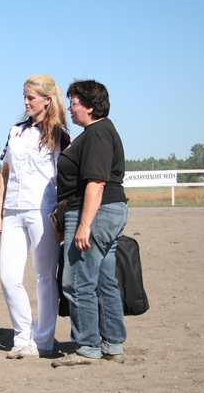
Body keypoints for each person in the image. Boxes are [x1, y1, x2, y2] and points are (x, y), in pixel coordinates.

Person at [0, 75, 70, 359]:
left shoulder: (59, 134)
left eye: (31, 98)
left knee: (44, 277)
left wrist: (62, 217)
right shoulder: (16, 131)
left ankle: (44, 340)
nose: (25, 102)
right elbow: (5, 172)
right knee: (8, 276)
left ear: (46, 100)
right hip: (12, 211)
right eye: (24, 97)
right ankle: (22, 336)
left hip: (43, 211)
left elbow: (65, 178)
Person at [51, 80, 128, 367]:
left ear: (90, 106)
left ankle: (87, 347)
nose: (70, 109)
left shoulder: (96, 135)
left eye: (74, 103)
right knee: (105, 281)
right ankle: (112, 344)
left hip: (93, 211)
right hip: (110, 211)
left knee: (78, 282)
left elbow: (96, 182)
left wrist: (84, 225)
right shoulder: (101, 132)